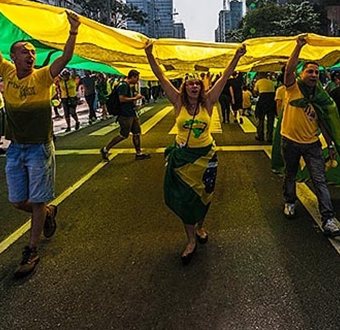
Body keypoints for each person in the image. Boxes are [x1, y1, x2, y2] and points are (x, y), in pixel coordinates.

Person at [0, 0, 78, 278]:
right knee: (17, 202)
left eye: (33, 52)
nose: (31, 55)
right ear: (13, 56)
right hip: (15, 148)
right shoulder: (6, 72)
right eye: (25, 51)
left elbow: (66, 56)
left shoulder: (44, 76)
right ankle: (47, 213)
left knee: (35, 200)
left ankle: (31, 249)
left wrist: (73, 31)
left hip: (39, 148)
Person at [145, 42, 246, 264]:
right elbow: (160, 76)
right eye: (189, 84)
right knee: (184, 199)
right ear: (184, 87)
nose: (193, 87)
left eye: (196, 84)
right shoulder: (177, 101)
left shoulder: (209, 101)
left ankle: (200, 227)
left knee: (204, 196)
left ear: (201, 87)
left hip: (207, 158)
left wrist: (236, 57)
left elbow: (225, 76)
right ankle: (190, 239)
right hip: (182, 160)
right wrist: (149, 54)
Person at [280, 37, 340, 238]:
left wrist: (331, 145)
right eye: (310, 71)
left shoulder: (321, 96)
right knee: (290, 174)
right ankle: (290, 201)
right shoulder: (293, 87)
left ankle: (328, 220)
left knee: (320, 181)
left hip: (312, 145)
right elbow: (288, 71)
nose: (314, 75)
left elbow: (324, 121)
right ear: (302, 73)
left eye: (316, 72)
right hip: (289, 141)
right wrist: (298, 47)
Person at [99, 70, 150, 161]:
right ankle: (105, 149)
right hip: (125, 114)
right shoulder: (123, 85)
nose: (137, 80)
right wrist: (135, 98)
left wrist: (134, 101)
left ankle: (139, 153)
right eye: (137, 78)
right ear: (133, 76)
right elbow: (122, 99)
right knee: (123, 135)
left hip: (131, 112)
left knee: (136, 132)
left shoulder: (128, 86)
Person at [253, 71, 276, 142]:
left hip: (262, 100)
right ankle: (269, 137)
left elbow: (255, 93)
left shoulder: (258, 82)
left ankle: (260, 136)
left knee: (260, 119)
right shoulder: (271, 82)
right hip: (271, 101)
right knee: (270, 120)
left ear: (260, 75)